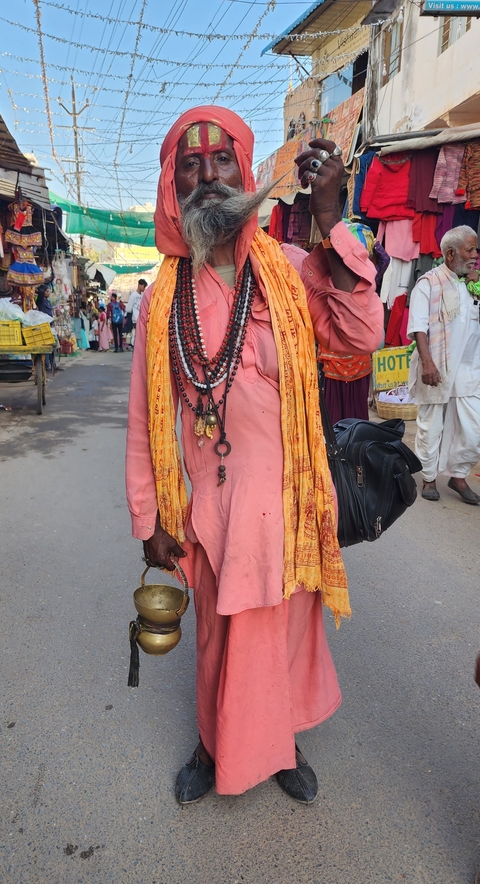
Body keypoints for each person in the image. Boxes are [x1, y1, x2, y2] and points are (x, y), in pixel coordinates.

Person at [126, 106, 383, 806]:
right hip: (214, 510)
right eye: (190, 163)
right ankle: (214, 748)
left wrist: (333, 222)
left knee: (285, 640)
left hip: (290, 504)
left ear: (245, 170)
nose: (207, 176)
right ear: (172, 184)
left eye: (221, 160)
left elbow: (361, 339)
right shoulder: (161, 300)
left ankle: (281, 741)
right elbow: (145, 425)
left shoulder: (295, 270)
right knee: (218, 639)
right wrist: (148, 519)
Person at [407, 225, 480, 504]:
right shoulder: (428, 283)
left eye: (475, 249)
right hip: (436, 365)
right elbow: (418, 327)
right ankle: (428, 478)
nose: (475, 255)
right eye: (469, 250)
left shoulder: (473, 283)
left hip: (470, 368)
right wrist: (427, 363)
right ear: (451, 254)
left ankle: (458, 475)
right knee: (431, 426)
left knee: (473, 430)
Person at [125, 279, 147, 347]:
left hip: (142, 318)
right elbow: (128, 308)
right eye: (144, 286)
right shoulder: (133, 295)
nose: (144, 288)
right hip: (135, 319)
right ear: (140, 285)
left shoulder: (143, 295)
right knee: (136, 337)